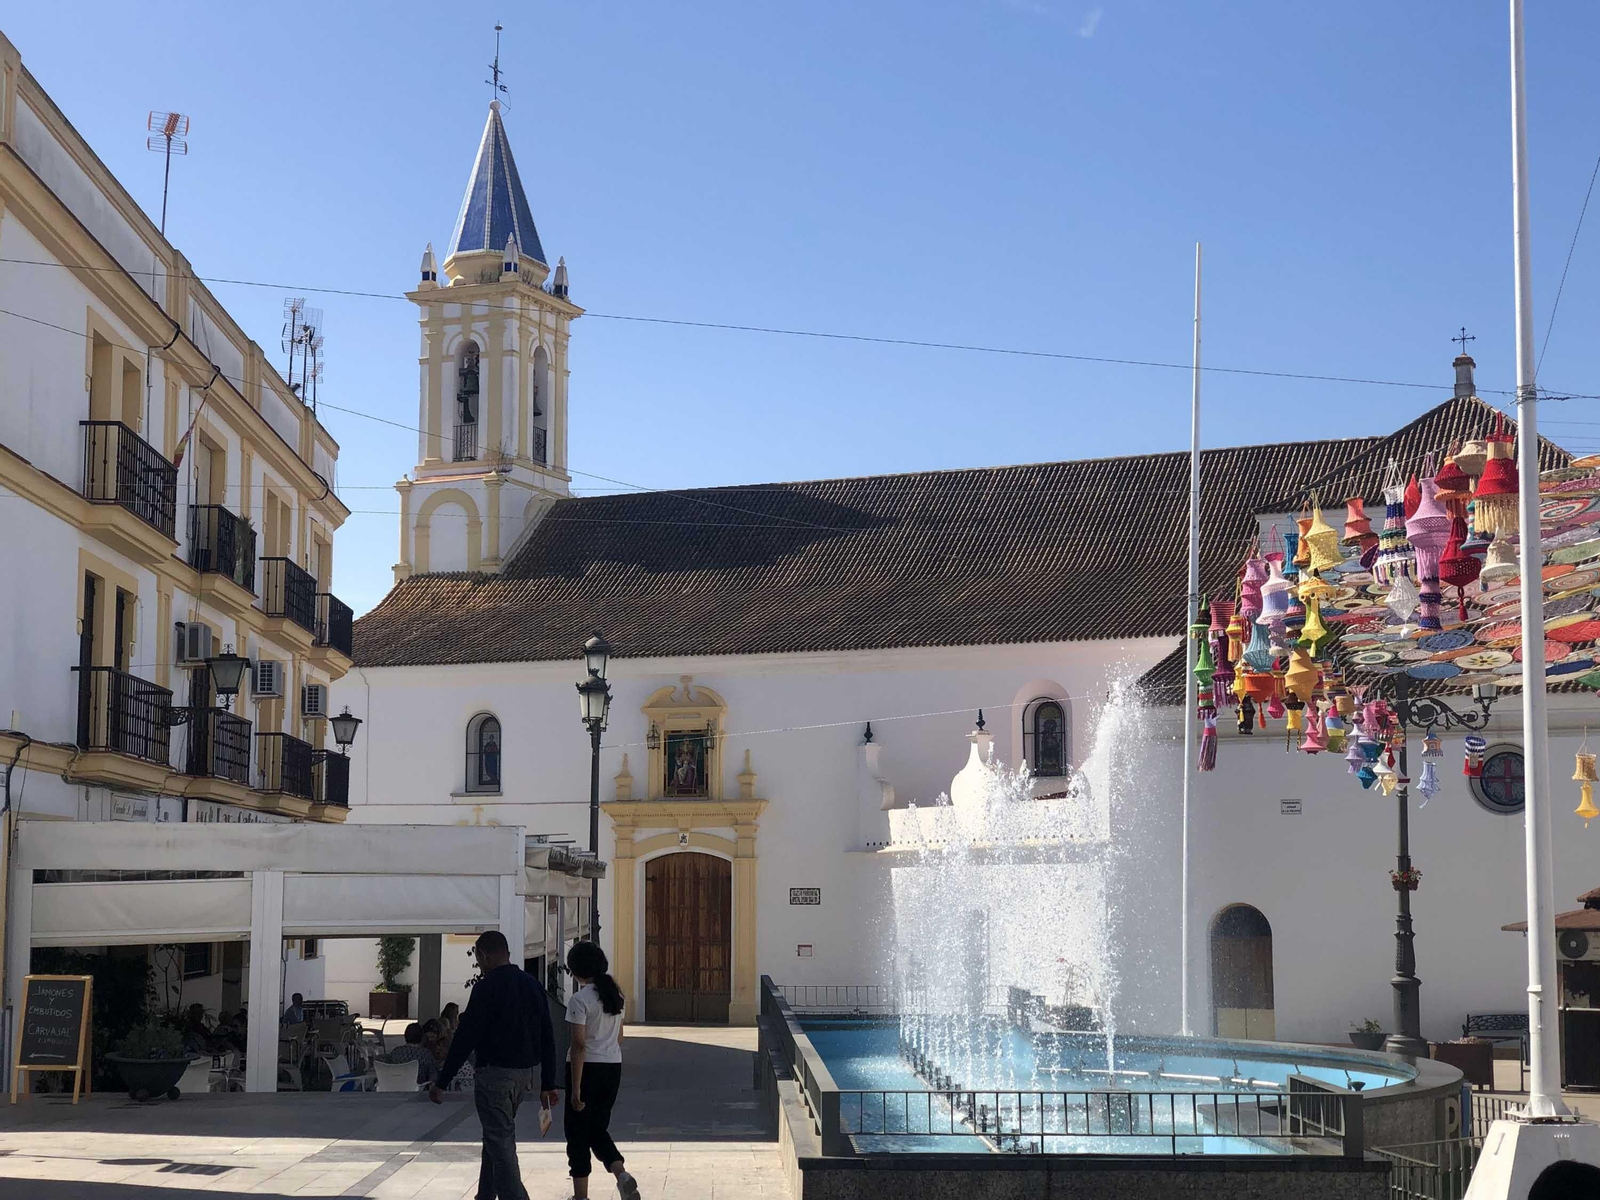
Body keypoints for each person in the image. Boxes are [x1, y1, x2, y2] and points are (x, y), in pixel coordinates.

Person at [430, 930, 558, 1200]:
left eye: (478, 958)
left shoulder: (486, 987)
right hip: (524, 1075)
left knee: (501, 1143)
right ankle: (485, 1195)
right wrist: (548, 1082)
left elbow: (467, 1036)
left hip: (494, 1075)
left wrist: (442, 1081)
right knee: (494, 1136)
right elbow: (548, 1034)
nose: (478, 964)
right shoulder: (532, 984)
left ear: (483, 955)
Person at [564, 941, 638, 1200]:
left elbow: (579, 1045)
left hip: (586, 1070)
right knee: (597, 1129)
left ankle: (581, 1196)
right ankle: (621, 1174)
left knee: (577, 1134)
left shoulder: (579, 1000)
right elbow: (619, 1038)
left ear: (577, 970)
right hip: (612, 1067)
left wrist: (575, 1090)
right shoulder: (616, 997)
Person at [381, 1022, 434, 1086]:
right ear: (422, 1037)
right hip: (418, 1089)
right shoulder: (426, 1054)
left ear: (405, 1036)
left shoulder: (395, 1052)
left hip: (396, 1087)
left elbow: (387, 1071)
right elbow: (432, 1077)